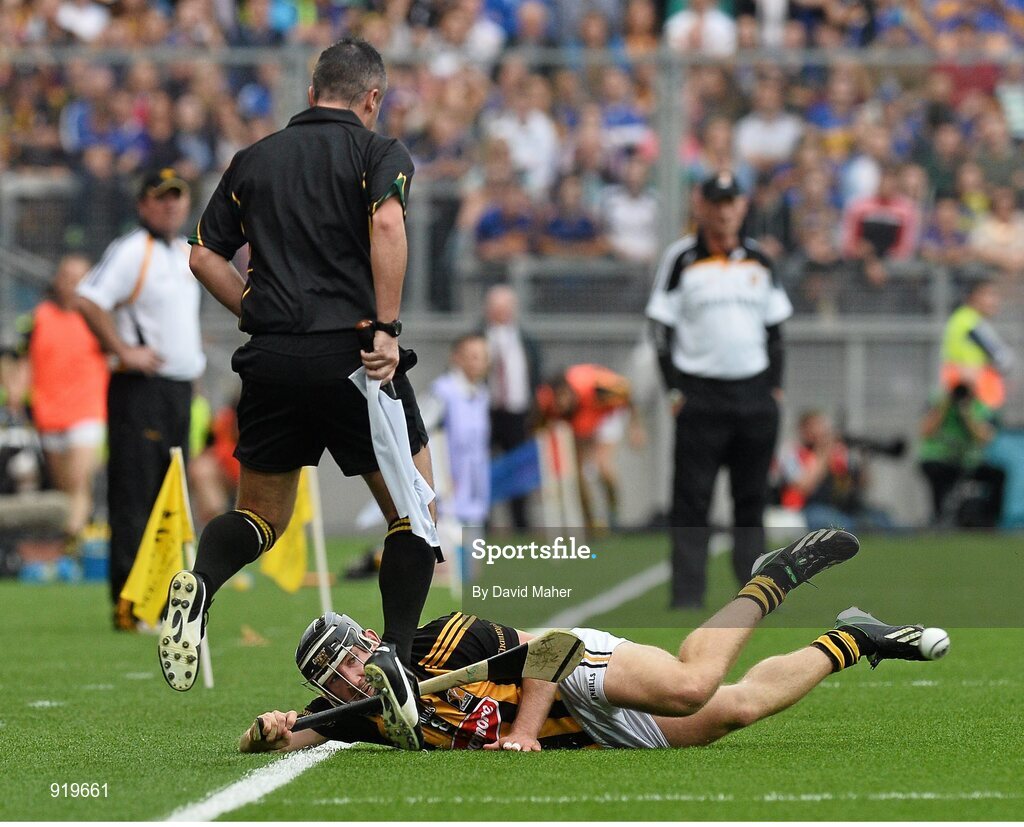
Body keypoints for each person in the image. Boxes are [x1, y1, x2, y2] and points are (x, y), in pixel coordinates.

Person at [176, 38, 439, 748]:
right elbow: (387, 222)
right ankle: (397, 657)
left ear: (314, 87)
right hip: (355, 357)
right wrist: (386, 327)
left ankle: (201, 580)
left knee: (259, 515)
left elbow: (202, 251)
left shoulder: (253, 160)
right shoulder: (378, 153)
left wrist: (255, 310)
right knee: (414, 508)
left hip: (271, 360)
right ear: (371, 97)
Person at [240, 530, 939, 753]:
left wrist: (524, 731)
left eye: (353, 659)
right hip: (589, 730)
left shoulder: (437, 639)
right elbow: (299, 731)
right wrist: (265, 732)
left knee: (693, 683)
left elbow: (547, 647)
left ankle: (771, 580)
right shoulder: (362, 711)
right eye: (335, 679)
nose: (353, 680)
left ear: (369, 639)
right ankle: (854, 637)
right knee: (734, 709)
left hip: (568, 672)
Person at [646, 172, 792, 609]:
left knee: (752, 501)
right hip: (701, 396)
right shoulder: (682, 259)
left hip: (753, 396)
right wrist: (674, 390)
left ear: (742, 206)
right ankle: (688, 596)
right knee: (692, 501)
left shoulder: (761, 261)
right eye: (717, 202)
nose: (725, 211)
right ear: (702, 206)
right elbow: (659, 329)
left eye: (732, 202)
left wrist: (776, 389)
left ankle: (756, 597)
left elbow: (776, 329)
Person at [75, 167, 205, 631]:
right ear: (143, 204)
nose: (170, 204)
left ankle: (160, 595)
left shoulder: (181, 252)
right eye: (161, 196)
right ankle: (129, 602)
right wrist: (123, 351)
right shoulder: (133, 250)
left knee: (169, 492)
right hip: (142, 390)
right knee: (137, 491)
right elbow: (89, 299)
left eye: (177, 196)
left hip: (175, 388)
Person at [23, 254, 109, 545]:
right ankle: (74, 539)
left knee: (79, 481)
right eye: (67, 277)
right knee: (62, 489)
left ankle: (71, 541)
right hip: (49, 414)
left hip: (88, 411)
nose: (73, 284)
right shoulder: (40, 316)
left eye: (79, 278)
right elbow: (24, 360)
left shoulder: (98, 317)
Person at [535, 364, 645, 530]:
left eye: (564, 396)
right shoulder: (546, 399)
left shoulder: (593, 387)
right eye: (557, 399)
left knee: (603, 467)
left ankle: (612, 511)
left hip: (604, 416)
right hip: (577, 425)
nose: (561, 403)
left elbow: (626, 392)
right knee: (577, 474)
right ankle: (590, 522)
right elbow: (537, 425)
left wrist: (635, 426)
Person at [777, 410, 897, 532]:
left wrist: (864, 460)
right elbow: (803, 487)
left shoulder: (839, 453)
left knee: (883, 520)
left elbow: (862, 484)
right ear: (803, 429)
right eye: (817, 426)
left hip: (845, 508)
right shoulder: (794, 453)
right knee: (842, 526)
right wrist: (823, 453)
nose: (823, 431)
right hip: (812, 508)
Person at [482, 285, 542, 529]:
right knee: (483, 469)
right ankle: (482, 523)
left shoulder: (525, 340)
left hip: (518, 413)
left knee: (518, 469)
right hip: (486, 412)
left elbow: (535, 375)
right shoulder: (478, 337)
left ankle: (520, 524)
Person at [918, 379, 1004, 527]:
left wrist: (966, 415)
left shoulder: (976, 407)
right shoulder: (940, 404)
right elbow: (926, 431)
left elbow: (985, 437)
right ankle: (939, 518)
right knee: (937, 473)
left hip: (967, 462)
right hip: (941, 460)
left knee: (997, 475)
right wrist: (943, 409)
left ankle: (990, 520)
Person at [940, 280, 1014, 411]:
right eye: (989, 295)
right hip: (979, 402)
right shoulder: (972, 324)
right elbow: (1003, 360)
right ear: (973, 296)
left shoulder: (959, 319)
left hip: (964, 399)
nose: (995, 301)